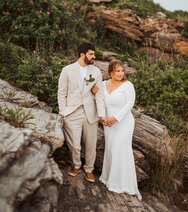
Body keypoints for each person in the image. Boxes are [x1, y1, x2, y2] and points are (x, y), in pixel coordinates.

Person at [92, 60, 141, 200]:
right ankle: (108, 178)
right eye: (117, 71)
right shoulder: (103, 84)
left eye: (122, 71)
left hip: (123, 122)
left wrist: (115, 118)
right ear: (111, 72)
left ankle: (122, 184)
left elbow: (129, 104)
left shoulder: (128, 86)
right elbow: (99, 99)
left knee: (120, 148)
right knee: (111, 148)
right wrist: (103, 117)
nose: (121, 73)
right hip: (107, 122)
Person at [58, 42, 106, 183]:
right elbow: (61, 93)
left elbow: (99, 95)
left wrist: (101, 114)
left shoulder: (96, 72)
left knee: (91, 144)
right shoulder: (66, 70)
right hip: (72, 112)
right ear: (82, 55)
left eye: (93, 54)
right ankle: (76, 165)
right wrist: (63, 112)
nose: (94, 56)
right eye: (91, 54)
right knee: (74, 145)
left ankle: (89, 169)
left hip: (90, 113)